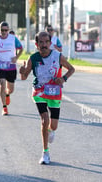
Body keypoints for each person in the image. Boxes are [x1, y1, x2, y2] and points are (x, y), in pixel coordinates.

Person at [19, 31, 75, 164]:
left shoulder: (57, 56)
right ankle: (45, 153)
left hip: (54, 93)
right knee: (44, 119)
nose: (44, 45)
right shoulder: (33, 58)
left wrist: (63, 78)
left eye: (46, 42)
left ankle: (50, 130)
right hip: (39, 91)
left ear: (50, 43)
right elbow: (24, 77)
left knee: (53, 126)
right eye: (41, 42)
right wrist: (22, 72)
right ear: (36, 44)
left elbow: (71, 69)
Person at [0, 21, 23, 115]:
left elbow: (21, 48)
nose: (4, 32)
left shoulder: (13, 39)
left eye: (6, 30)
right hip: (0, 66)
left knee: (10, 89)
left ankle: (7, 94)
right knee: (2, 84)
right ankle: (4, 107)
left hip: (11, 67)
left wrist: (16, 57)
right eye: (2, 30)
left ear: (8, 30)